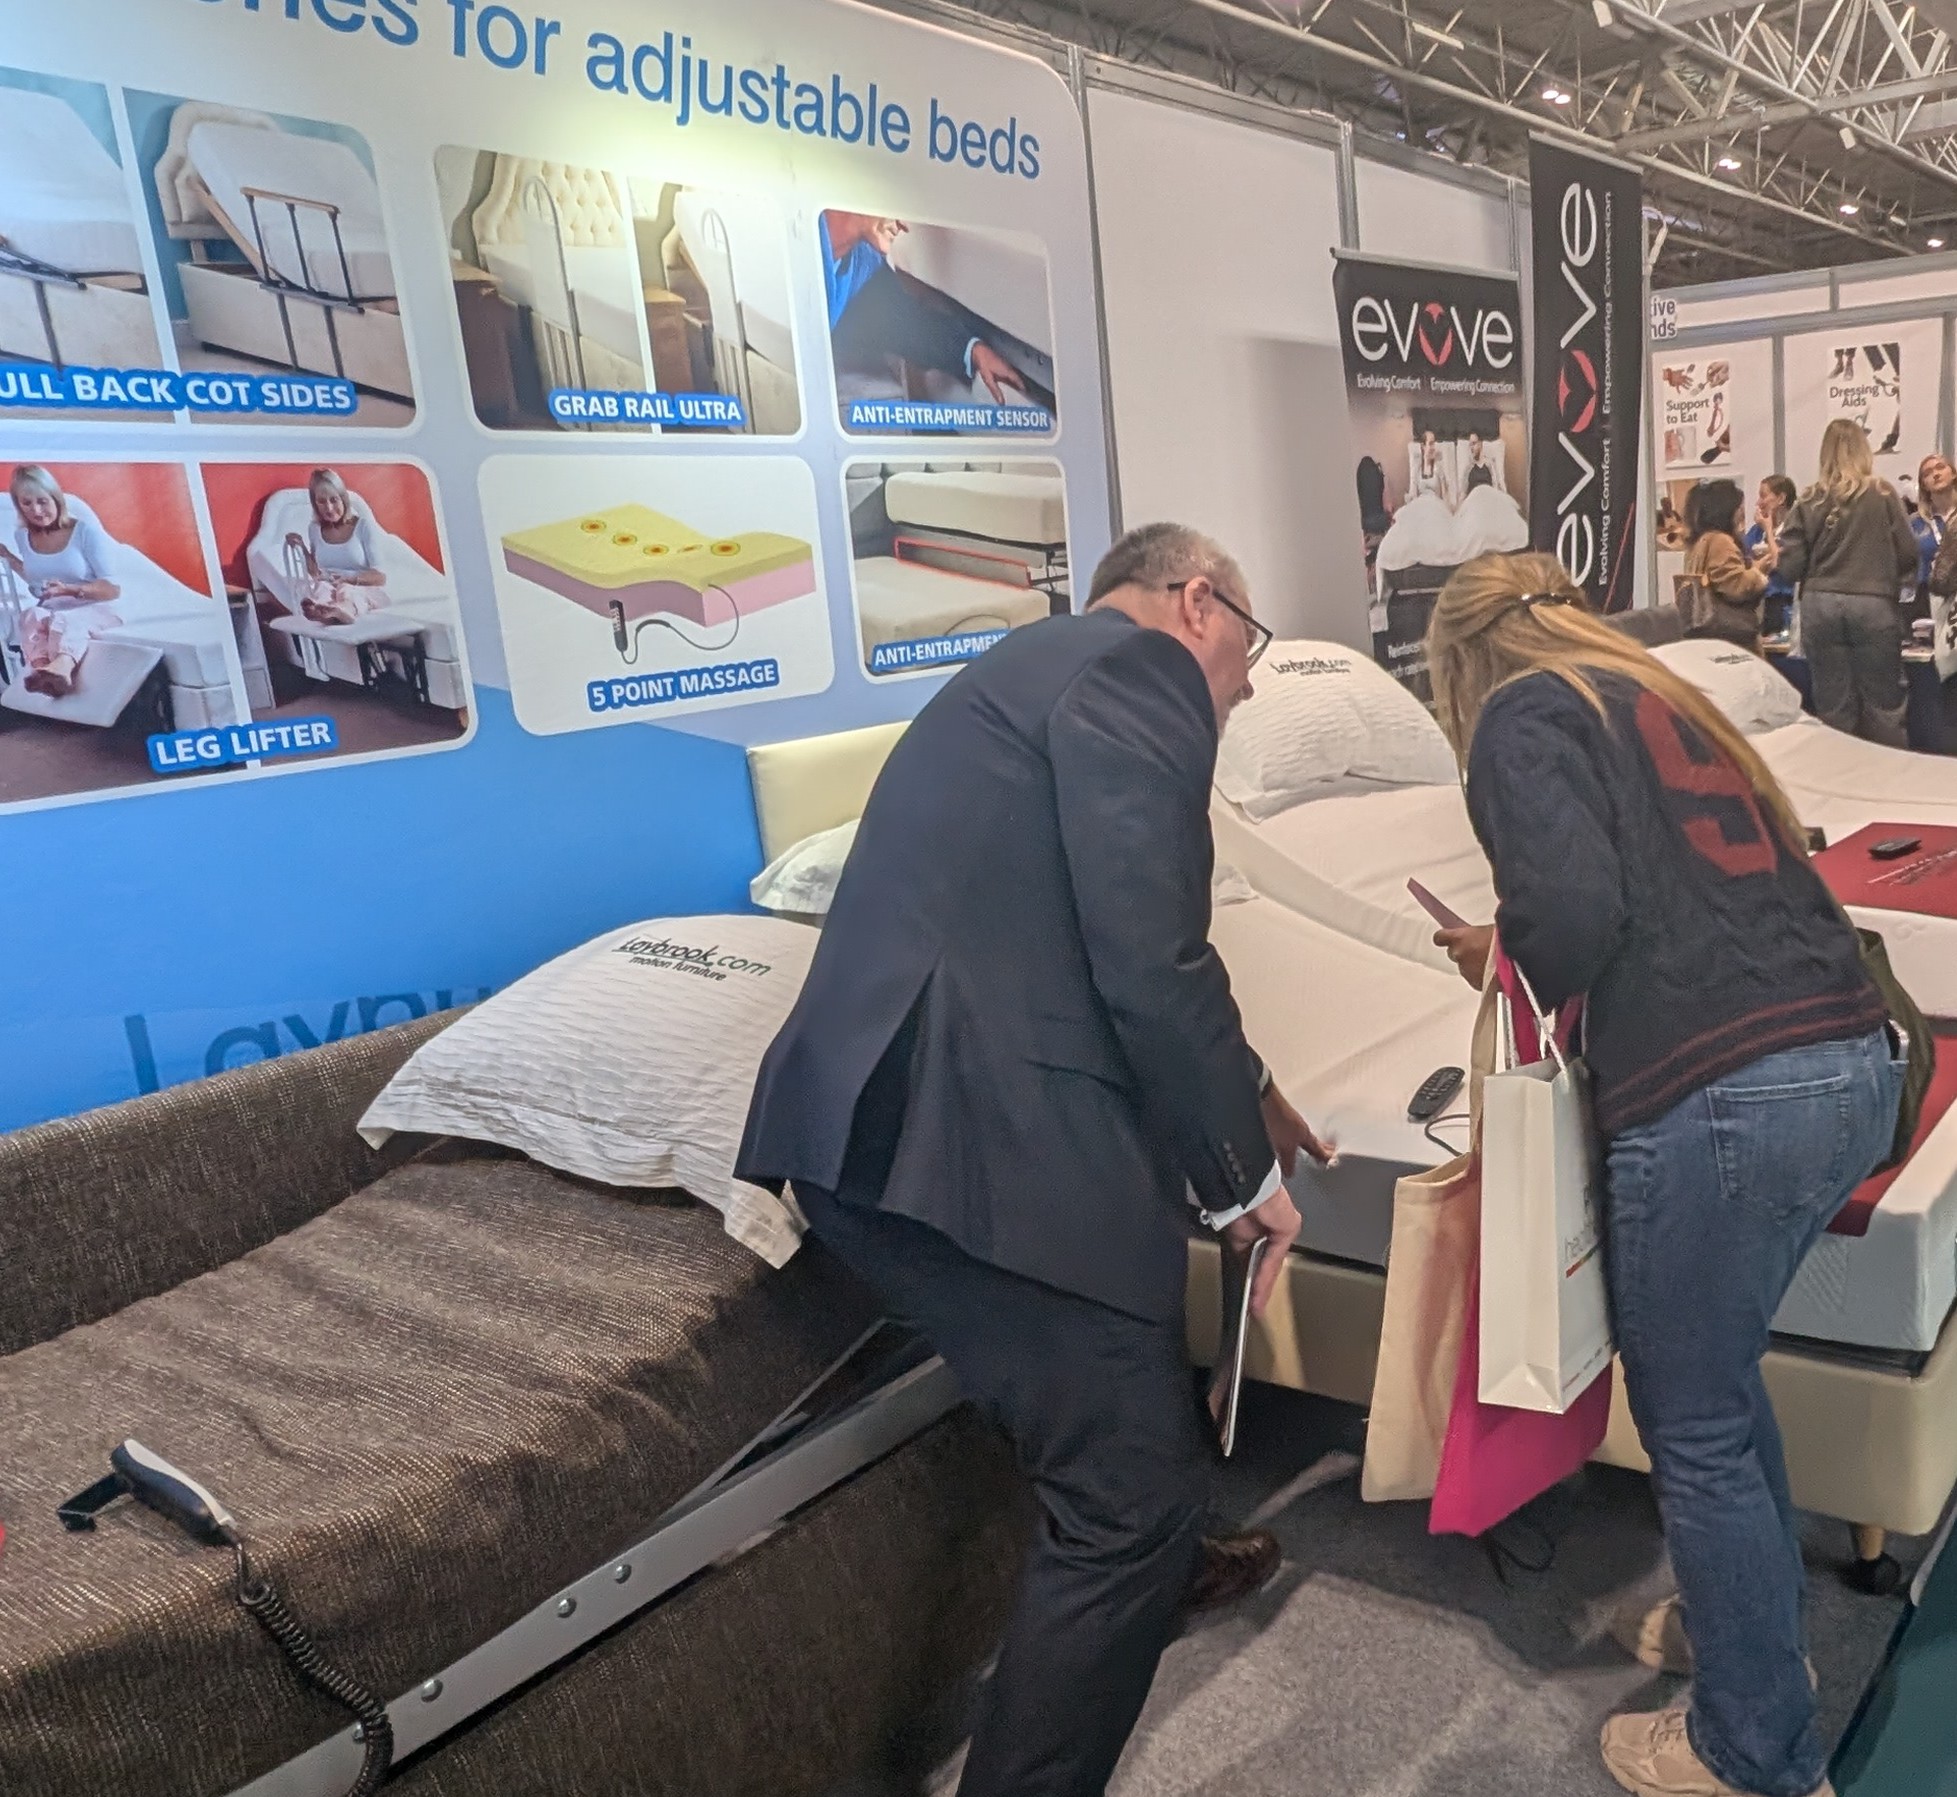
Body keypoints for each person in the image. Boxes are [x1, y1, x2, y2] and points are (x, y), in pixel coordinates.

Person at [738, 522, 1332, 1797]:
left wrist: (1255, 1092)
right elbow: (1150, 950)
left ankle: (1171, 1567)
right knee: (1127, 1498)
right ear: (1195, 604)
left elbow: (1052, 931)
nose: (1245, 681)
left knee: (1111, 1410)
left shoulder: (1024, 677)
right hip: (965, 1147)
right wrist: (1242, 1181)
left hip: (876, 1131)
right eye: (1249, 646)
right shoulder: (1139, 674)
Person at [1425, 552, 1901, 1797]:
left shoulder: (1522, 715)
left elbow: (1574, 916)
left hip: (1722, 1095)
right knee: (1719, 1386)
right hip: (1849, 1062)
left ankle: (1755, 1755)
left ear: (1463, 662)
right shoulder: (1657, 697)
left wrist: (1513, 944)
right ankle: (1753, 1645)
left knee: (1689, 1423)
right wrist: (1518, 930)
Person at [1774, 419, 1920, 746]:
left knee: (1833, 704)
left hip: (1820, 606)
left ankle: (1842, 781)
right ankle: (1889, 781)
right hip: (1873, 604)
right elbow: (1909, 553)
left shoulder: (1808, 499)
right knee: (1884, 705)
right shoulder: (1883, 493)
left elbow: (1790, 568)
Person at [819, 210, 1028, 408]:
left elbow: (906, 322)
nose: (903, 224)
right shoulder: (791, 239)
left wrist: (974, 350)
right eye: (891, 204)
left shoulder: (864, 262)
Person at [0, 464, 122, 698]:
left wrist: (70, 590)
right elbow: (36, 577)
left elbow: (112, 589)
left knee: (65, 621)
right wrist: (8, 556)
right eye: (27, 503)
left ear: (55, 498)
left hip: (96, 607)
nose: (36, 510)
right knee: (31, 616)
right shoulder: (23, 536)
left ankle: (62, 668)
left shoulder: (85, 532)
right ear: (19, 506)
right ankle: (42, 671)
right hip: (55, 609)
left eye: (42, 501)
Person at [283, 468, 389, 627]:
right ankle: (322, 611)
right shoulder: (314, 529)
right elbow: (316, 573)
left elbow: (380, 577)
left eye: (334, 500)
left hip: (364, 588)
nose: (329, 508)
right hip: (330, 585)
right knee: (321, 589)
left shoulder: (363, 526)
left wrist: (350, 579)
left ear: (343, 499)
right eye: (321, 501)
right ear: (315, 503)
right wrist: (302, 547)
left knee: (346, 591)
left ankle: (343, 611)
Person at [1679, 478, 1772, 649]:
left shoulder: (1699, 542)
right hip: (1730, 638)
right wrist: (1758, 571)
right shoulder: (1720, 542)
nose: (1742, 513)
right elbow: (1735, 586)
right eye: (1739, 508)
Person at [1743, 475, 1799, 640]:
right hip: (1758, 604)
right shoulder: (1756, 531)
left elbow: (1779, 563)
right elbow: (1743, 562)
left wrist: (1769, 531)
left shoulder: (1793, 529)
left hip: (1784, 604)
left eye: (1763, 495)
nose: (1758, 503)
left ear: (1781, 498)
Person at [1909, 453, 1957, 616]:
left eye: (1940, 467)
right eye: (1927, 473)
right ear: (1923, 484)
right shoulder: (1915, 524)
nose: (1935, 474)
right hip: (1928, 600)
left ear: (1953, 473)